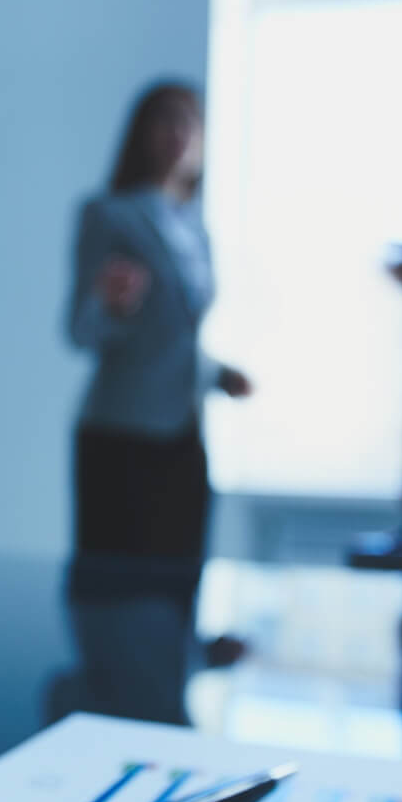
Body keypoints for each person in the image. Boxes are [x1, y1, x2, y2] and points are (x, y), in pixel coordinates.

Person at [66, 83, 251, 561]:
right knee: (117, 594)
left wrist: (218, 374)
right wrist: (111, 307)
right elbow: (78, 330)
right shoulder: (108, 215)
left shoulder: (196, 229)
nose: (180, 133)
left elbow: (178, 335)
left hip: (184, 434)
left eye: (190, 122)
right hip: (123, 435)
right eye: (166, 119)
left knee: (180, 582)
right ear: (142, 132)